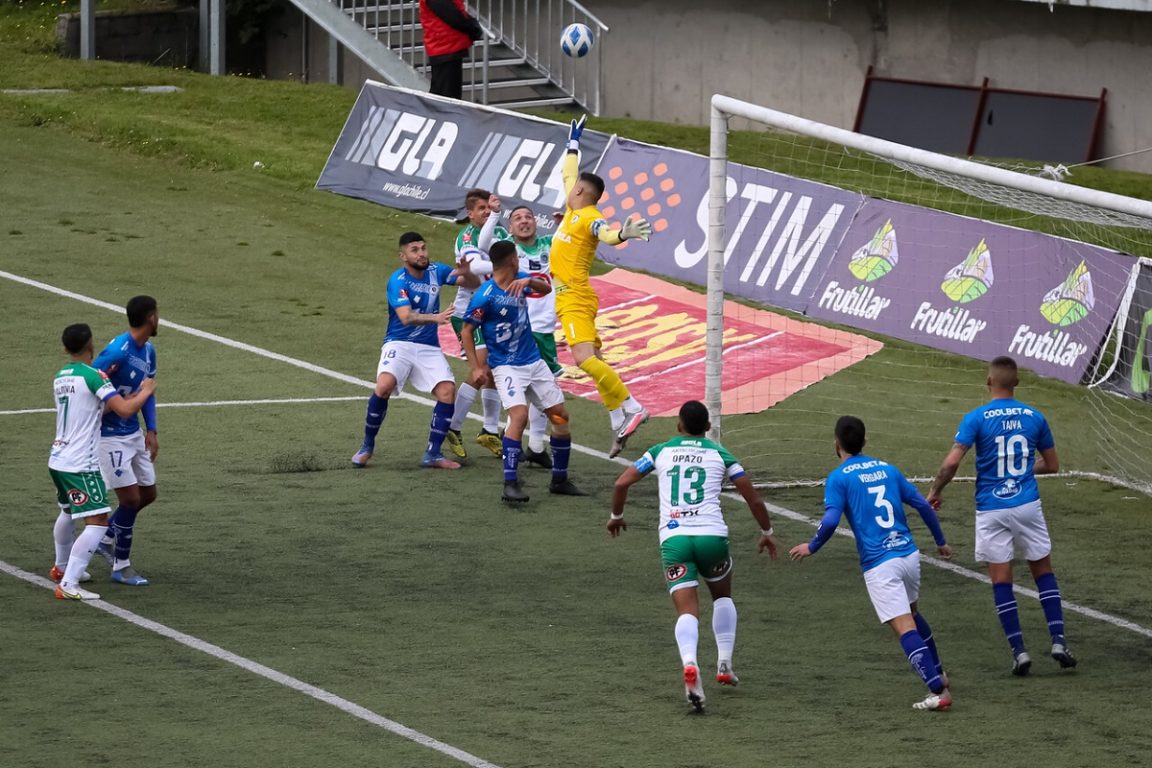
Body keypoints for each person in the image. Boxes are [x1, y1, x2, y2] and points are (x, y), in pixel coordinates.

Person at [608, 400, 778, 713]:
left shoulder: (660, 451)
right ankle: (724, 663)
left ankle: (690, 663)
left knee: (687, 610)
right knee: (723, 597)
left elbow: (622, 482)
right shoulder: (720, 453)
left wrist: (616, 515)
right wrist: (767, 533)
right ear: (708, 427)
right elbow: (752, 497)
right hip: (712, 537)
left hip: (675, 540)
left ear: (678, 425)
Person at [789, 416, 955, 712]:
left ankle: (937, 690)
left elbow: (830, 521)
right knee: (914, 614)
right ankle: (939, 670)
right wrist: (940, 541)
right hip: (908, 554)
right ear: (864, 442)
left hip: (881, 563)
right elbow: (921, 504)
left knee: (904, 627)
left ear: (836, 444)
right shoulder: (888, 469)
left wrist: (812, 546)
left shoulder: (839, 477)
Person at [927, 355, 1076, 675]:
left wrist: (936, 491)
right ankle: (1059, 641)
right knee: (1043, 570)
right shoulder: (1035, 417)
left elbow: (952, 462)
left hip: (991, 508)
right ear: (1017, 383)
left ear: (988, 381)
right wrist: (1022, 471)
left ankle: (1019, 651)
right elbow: (1051, 465)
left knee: (1001, 579)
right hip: (1027, 505)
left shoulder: (976, 418)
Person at [552, 115, 653, 457]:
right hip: (577, 296)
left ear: (581, 192)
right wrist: (573, 144)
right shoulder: (573, 208)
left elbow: (606, 234)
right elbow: (569, 172)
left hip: (574, 297)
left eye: (574, 185)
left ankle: (632, 406)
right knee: (593, 358)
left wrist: (622, 234)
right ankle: (617, 420)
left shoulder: (590, 216)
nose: (569, 186)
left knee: (583, 359)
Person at [461, 240, 586, 503]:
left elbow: (546, 286)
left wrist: (529, 282)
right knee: (518, 417)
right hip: (506, 367)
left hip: (533, 362)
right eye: (516, 258)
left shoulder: (520, 278)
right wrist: (476, 367)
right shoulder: (485, 295)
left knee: (560, 417)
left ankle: (559, 479)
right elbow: (467, 330)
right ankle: (510, 483)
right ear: (511, 261)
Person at [351, 231, 480, 470]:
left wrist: (466, 273)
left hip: (428, 347)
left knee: (447, 391)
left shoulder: (437, 271)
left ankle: (433, 453)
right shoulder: (397, 280)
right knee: (384, 385)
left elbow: (473, 284)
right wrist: (436, 318)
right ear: (403, 256)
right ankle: (367, 446)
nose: (421, 254)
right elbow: (406, 317)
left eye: (423, 248)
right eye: (415, 250)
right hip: (399, 343)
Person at [49, 323, 156, 600]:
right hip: (81, 462)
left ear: (65, 348)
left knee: (68, 511)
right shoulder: (95, 376)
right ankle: (69, 584)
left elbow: (95, 406)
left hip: (58, 457)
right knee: (97, 522)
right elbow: (123, 410)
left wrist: (124, 398)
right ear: (90, 345)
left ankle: (62, 568)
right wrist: (144, 392)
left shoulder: (61, 375)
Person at [92, 295, 160, 587]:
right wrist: (116, 404)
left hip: (133, 433)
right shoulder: (117, 351)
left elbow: (148, 391)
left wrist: (152, 430)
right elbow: (90, 384)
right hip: (109, 438)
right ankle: (121, 566)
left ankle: (105, 535)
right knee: (130, 499)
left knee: (148, 495)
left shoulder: (149, 352)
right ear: (151, 318)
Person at [446, 188, 507, 459]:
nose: (485, 212)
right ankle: (453, 426)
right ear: (470, 214)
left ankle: (489, 431)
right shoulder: (467, 237)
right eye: (481, 209)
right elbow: (472, 268)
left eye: (488, 208)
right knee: (482, 369)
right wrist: (504, 268)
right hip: (468, 312)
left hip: (492, 310)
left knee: (494, 367)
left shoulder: (499, 233)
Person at [506, 204, 563, 469]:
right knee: (523, 391)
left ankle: (536, 446)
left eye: (528, 217)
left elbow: (571, 239)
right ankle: (517, 451)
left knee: (545, 389)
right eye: (517, 218)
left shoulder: (548, 244)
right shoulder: (508, 250)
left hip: (544, 329)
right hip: (519, 328)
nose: (525, 221)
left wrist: (565, 223)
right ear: (510, 228)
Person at [419, 0, 483, 100]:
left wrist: (472, 26)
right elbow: (454, 18)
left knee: (444, 96)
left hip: (447, 48)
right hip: (445, 49)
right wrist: (473, 28)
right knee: (447, 98)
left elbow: (455, 14)